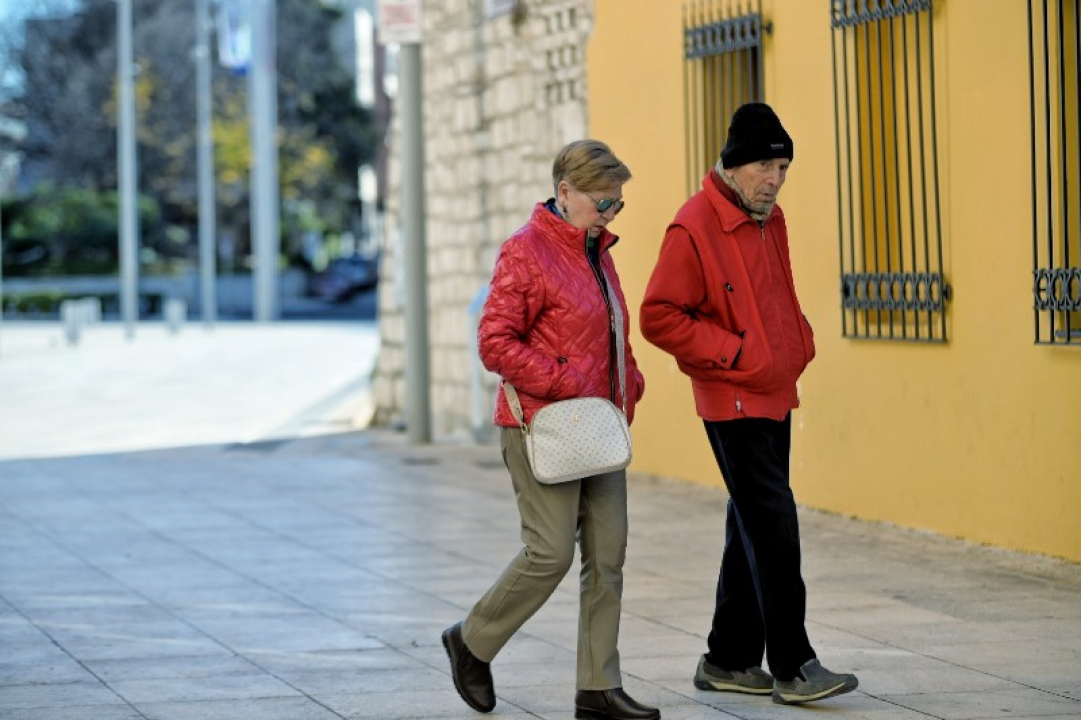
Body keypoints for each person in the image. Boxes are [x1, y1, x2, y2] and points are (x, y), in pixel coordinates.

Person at [639, 103, 859, 706]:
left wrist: (796, 340)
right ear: (735, 165)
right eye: (766, 165)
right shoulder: (693, 225)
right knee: (773, 523)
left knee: (750, 522)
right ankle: (793, 664)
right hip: (730, 395)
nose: (775, 178)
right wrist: (734, 354)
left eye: (783, 167)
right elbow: (658, 315)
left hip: (773, 389)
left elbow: (775, 293)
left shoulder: (770, 219)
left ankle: (728, 658)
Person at [442, 139, 658, 720]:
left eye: (618, 205)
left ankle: (598, 689)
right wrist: (561, 378)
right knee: (550, 553)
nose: (611, 214)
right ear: (565, 192)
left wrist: (629, 379)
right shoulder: (526, 251)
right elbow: (494, 341)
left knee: (608, 555)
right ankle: (471, 642)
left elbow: (612, 327)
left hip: (599, 427)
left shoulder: (598, 250)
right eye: (603, 203)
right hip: (540, 426)